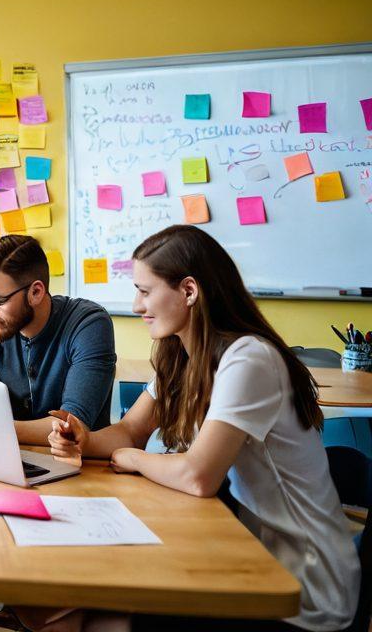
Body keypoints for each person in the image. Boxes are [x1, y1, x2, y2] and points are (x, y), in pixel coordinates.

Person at [39, 225, 359, 632]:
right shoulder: (182, 354)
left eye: (145, 290)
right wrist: (85, 440)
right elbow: (131, 430)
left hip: (302, 587)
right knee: (85, 605)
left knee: (101, 616)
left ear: (189, 291)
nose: (137, 305)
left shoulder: (249, 358)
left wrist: (133, 458)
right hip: (245, 554)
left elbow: (197, 476)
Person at [0, 235, 117, 441]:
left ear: (36, 292)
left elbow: (73, 425)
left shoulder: (89, 324)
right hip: (10, 458)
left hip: (83, 465)